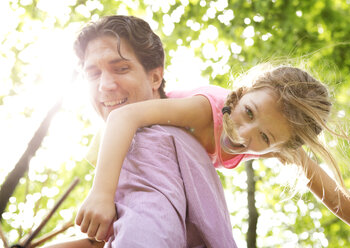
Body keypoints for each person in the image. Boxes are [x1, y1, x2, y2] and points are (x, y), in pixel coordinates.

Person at [76, 52, 350, 241]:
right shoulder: (206, 110)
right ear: (244, 92)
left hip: (163, 170)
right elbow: (123, 117)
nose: (243, 134)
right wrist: (101, 193)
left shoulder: (279, 144)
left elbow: (336, 198)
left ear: (281, 147)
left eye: (265, 138)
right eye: (249, 112)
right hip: (127, 144)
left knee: (119, 233)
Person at [45, 15, 238, 248]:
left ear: (155, 77)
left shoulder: (144, 140)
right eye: (93, 74)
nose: (105, 85)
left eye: (121, 68)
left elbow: (146, 237)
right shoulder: (179, 140)